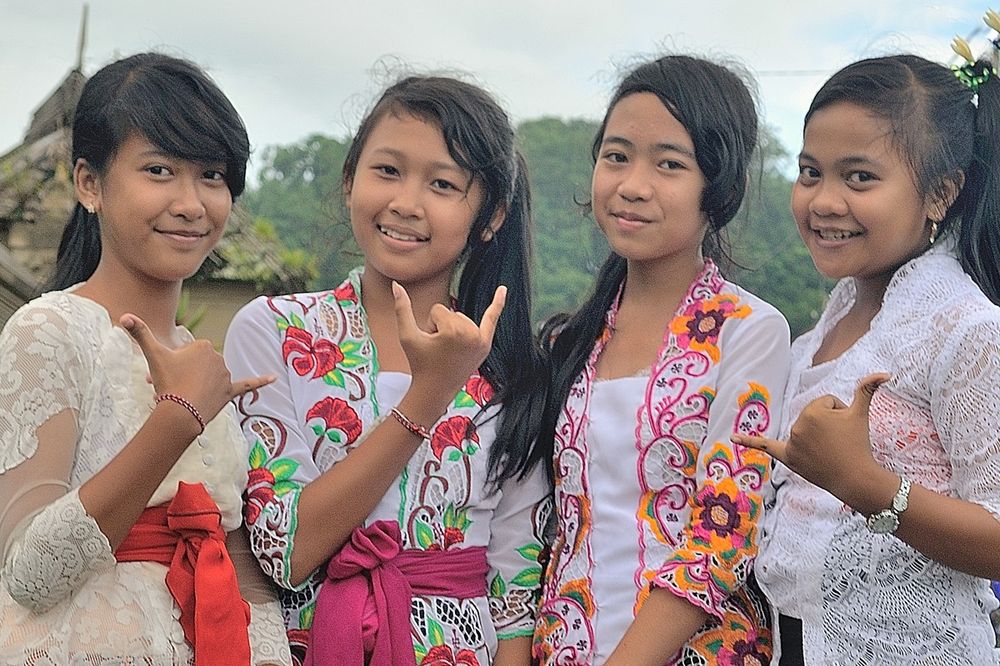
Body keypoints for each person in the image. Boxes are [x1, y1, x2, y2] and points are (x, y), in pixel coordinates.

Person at [223, 75, 550, 666]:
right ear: (349, 180)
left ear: (491, 215)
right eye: (387, 171)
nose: (406, 202)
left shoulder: (515, 371)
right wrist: (429, 395)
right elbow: (284, 550)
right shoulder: (273, 330)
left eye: (443, 184)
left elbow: (515, 590)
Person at [0, 52, 291, 664]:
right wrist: (175, 418)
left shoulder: (204, 364)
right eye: (159, 170)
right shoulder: (49, 331)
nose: (191, 203)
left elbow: (237, 562)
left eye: (212, 176)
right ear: (89, 183)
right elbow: (29, 571)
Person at [736, 41, 1000, 664]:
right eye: (810, 172)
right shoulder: (821, 332)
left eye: (860, 177)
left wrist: (863, 483)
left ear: (940, 195)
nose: (824, 201)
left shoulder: (967, 331)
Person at [531, 54, 791, 665]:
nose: (633, 185)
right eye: (616, 156)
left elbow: (722, 537)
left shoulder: (748, 331)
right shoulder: (566, 343)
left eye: (669, 164)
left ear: (718, 187)